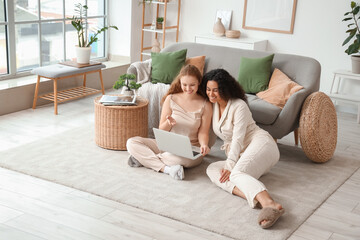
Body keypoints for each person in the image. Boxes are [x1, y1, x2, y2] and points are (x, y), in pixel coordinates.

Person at [200, 68, 284, 229]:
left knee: (235, 173)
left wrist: (230, 167)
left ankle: (269, 203)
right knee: (212, 169)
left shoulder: (239, 106)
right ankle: (252, 196)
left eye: (215, 90)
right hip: (241, 154)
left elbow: (238, 139)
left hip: (261, 145)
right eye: (208, 89)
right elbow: (211, 131)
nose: (211, 94)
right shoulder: (214, 106)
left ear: (224, 89)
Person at [126, 65, 212, 180]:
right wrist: (168, 123)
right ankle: (167, 169)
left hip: (190, 149)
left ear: (199, 83)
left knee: (177, 159)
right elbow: (162, 130)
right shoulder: (171, 99)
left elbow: (203, 132)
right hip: (167, 144)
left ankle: (144, 158)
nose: (188, 88)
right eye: (184, 85)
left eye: (192, 85)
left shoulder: (205, 104)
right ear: (180, 82)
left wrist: (204, 145)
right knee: (131, 142)